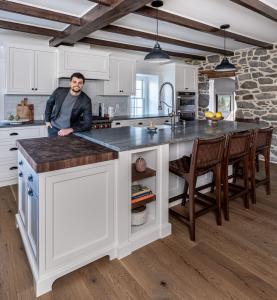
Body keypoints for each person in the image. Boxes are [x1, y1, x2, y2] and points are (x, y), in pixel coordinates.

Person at [45, 72, 92, 137]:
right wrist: (47, 120)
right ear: (70, 83)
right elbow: (49, 103)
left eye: (80, 83)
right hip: (53, 128)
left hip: (71, 131)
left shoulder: (86, 100)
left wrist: (70, 130)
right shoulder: (59, 91)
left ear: (83, 84)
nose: (77, 84)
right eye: (74, 82)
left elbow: (88, 124)